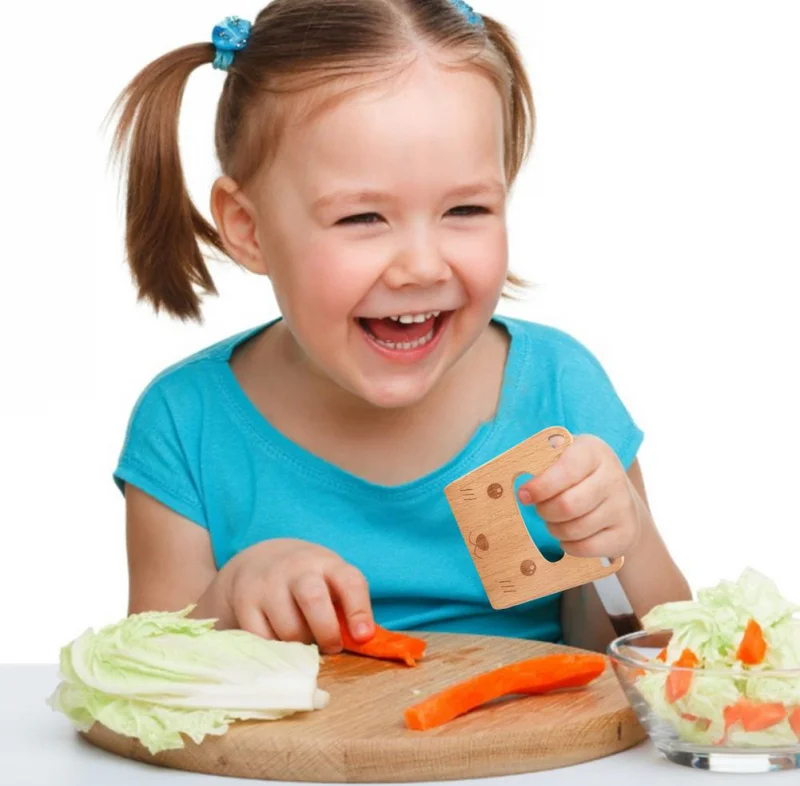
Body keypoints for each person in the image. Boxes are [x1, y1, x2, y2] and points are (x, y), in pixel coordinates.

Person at [109, 0, 691, 657]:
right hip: (290, 763)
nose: (421, 265)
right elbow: (146, 683)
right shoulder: (187, 424)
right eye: (362, 218)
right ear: (248, 230)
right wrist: (228, 605)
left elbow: (655, 658)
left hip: (534, 759)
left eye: (466, 208)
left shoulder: (561, 390)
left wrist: (624, 541)